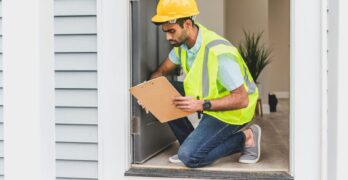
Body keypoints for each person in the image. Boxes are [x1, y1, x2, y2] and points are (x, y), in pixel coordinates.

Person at [148, 0, 261, 168]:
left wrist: (201, 104)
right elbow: (161, 71)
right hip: (209, 102)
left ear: (187, 24)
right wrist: (151, 93)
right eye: (165, 32)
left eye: (171, 31)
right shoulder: (183, 46)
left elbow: (241, 99)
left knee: (190, 157)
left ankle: (247, 137)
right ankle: (190, 144)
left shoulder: (219, 52)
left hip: (234, 111)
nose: (168, 37)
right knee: (166, 90)